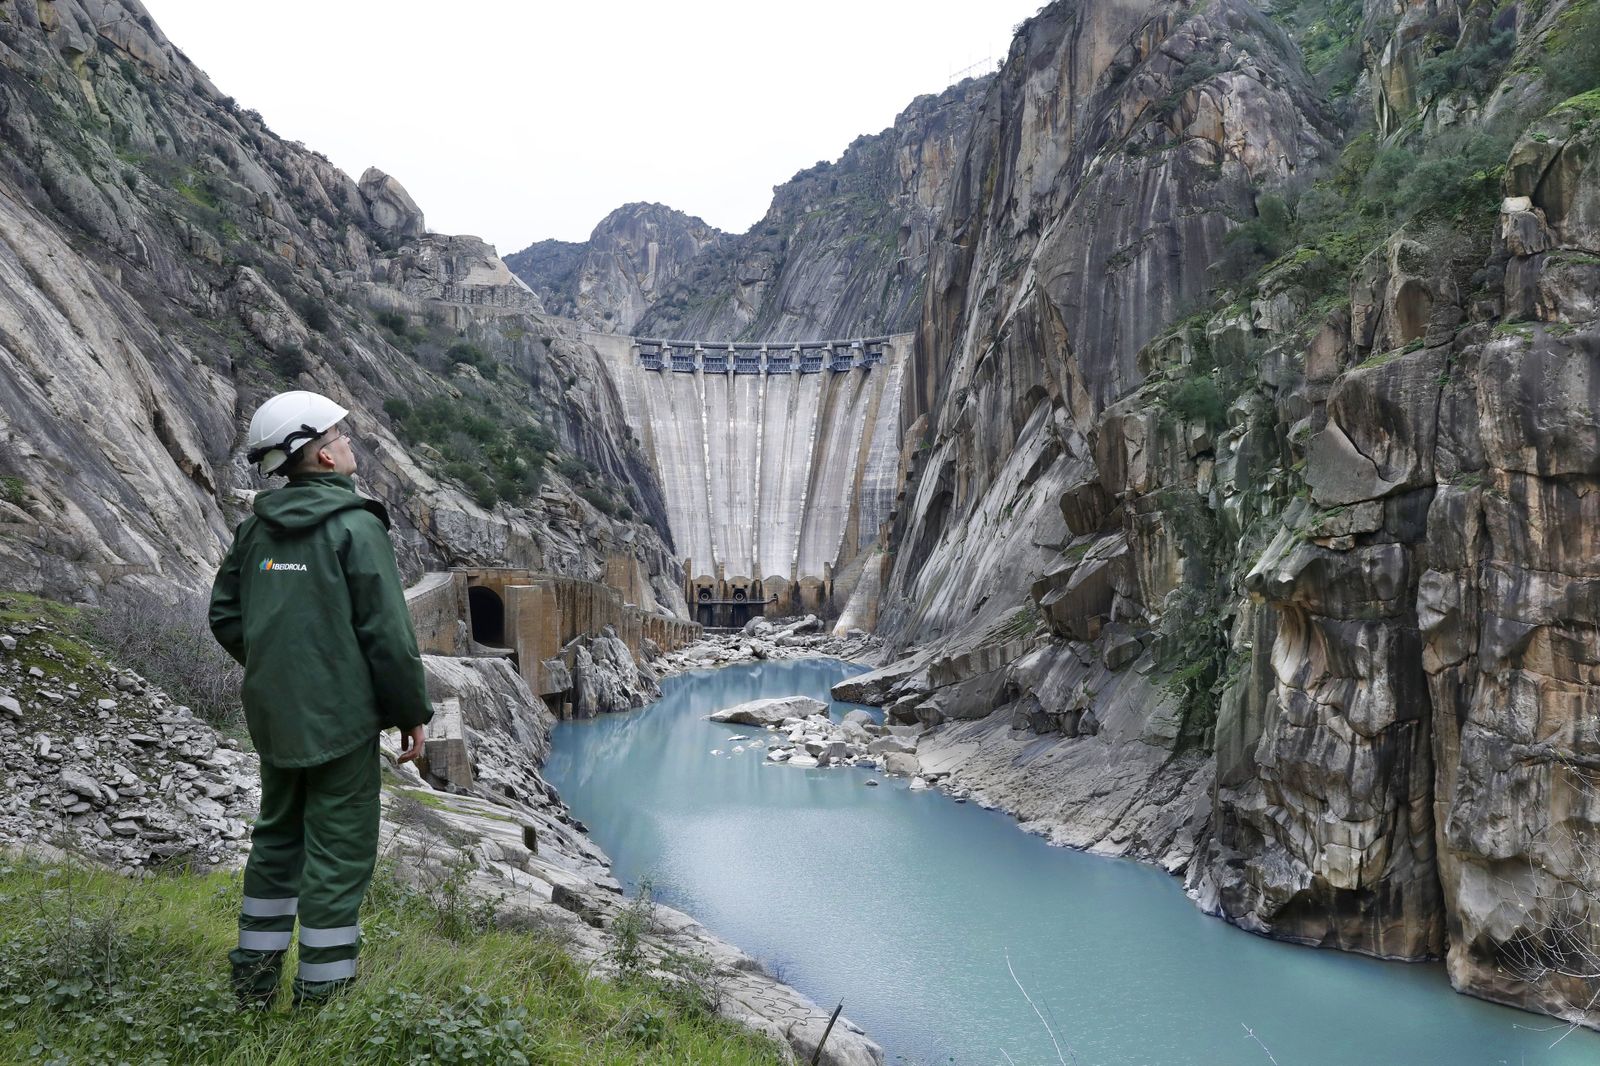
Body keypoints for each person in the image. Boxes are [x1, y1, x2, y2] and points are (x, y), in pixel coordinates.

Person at [209, 390, 432, 1009]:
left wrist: (282, 670)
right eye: (341, 434)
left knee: (276, 841)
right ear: (323, 457)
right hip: (341, 725)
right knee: (337, 855)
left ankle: (251, 989)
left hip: (277, 719)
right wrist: (410, 712)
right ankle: (322, 1005)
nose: (350, 441)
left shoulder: (255, 529)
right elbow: (388, 636)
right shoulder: (356, 527)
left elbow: (226, 614)